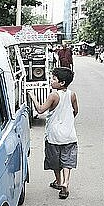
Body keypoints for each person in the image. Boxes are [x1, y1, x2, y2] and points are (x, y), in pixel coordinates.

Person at [28, 67, 78, 199]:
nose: (51, 80)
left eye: (54, 79)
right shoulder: (72, 94)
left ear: (61, 83)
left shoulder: (53, 96)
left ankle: (59, 181)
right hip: (69, 134)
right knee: (67, 160)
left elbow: (40, 110)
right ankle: (66, 183)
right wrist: (68, 120)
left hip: (54, 135)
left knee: (55, 161)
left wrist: (33, 97)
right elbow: (75, 110)